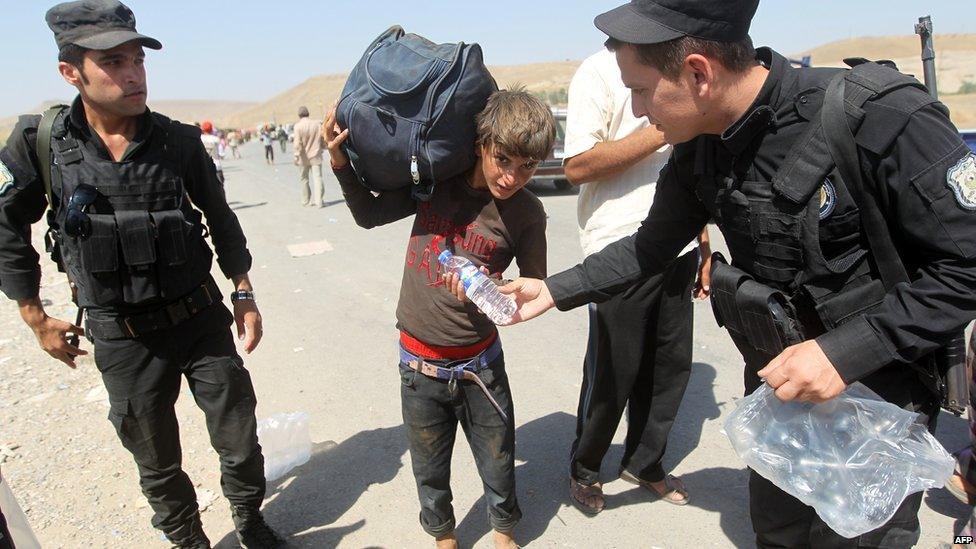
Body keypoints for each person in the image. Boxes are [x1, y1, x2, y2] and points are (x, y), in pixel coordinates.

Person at [500, 0, 976, 546]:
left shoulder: (876, 116)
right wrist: (553, 289)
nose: (636, 109)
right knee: (777, 532)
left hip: (880, 402)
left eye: (640, 89)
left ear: (699, 74)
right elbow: (649, 249)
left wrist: (843, 354)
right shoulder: (701, 147)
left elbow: (966, 264)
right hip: (781, 393)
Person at [0, 2, 285, 547]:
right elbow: (6, 224)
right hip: (120, 335)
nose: (133, 74)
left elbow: (220, 219)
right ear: (71, 72)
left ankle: (251, 523)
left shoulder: (177, 142)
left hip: (200, 319)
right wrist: (34, 315)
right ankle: (191, 541)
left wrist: (243, 292)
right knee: (155, 460)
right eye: (113, 62)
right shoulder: (42, 145)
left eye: (137, 59)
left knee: (240, 441)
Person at [322, 88, 555, 549]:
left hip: (480, 367)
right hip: (419, 366)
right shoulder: (435, 183)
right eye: (503, 159)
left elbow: (534, 288)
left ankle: (504, 534)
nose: (511, 177)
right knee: (429, 469)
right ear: (480, 145)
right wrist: (340, 164)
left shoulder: (528, 213)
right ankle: (443, 538)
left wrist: (495, 287)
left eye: (526, 166)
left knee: (499, 459)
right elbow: (368, 214)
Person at [562, 46, 711, 514]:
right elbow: (577, 166)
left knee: (668, 367)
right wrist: (657, 133)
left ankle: (645, 462)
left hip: (679, 244)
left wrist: (703, 243)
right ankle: (585, 467)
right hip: (618, 246)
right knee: (613, 370)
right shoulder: (598, 72)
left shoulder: (678, 69)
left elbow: (687, 172)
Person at [292, 106, 325, 207]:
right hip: (316, 155)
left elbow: (297, 143)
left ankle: (306, 201)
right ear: (308, 113)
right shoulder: (316, 124)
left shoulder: (298, 126)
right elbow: (322, 138)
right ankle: (319, 201)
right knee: (318, 178)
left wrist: (296, 155)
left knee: (304, 179)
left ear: (299, 115)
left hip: (303, 157)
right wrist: (323, 147)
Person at [200, 120, 224, 186]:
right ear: (211, 129)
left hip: (202, 167)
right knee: (220, 187)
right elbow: (221, 153)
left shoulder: (199, 139)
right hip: (216, 166)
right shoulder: (216, 139)